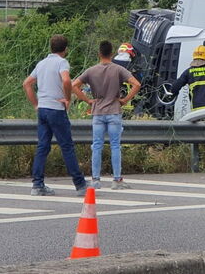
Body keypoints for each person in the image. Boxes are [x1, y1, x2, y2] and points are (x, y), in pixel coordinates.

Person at [22, 34, 88, 197]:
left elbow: (27, 83)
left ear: (51, 47)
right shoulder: (62, 62)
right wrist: (67, 98)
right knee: (67, 146)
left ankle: (37, 184)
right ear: (65, 49)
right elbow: (67, 81)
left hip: (43, 109)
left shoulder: (42, 63)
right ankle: (80, 184)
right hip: (56, 109)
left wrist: (36, 104)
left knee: (43, 146)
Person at [72, 41, 141, 190]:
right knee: (115, 145)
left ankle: (95, 180)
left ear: (99, 53)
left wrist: (88, 100)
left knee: (96, 146)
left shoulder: (91, 71)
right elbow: (137, 84)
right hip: (114, 111)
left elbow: (74, 85)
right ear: (111, 54)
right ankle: (117, 180)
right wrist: (125, 100)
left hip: (97, 112)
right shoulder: (118, 69)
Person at [167, 45, 205, 110]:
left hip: (196, 110)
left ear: (194, 56)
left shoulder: (189, 72)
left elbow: (175, 86)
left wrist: (173, 93)